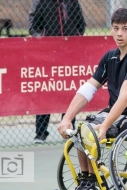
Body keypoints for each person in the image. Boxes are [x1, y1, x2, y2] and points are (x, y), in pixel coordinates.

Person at [58, 8, 127, 189]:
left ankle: (92, 179)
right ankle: (88, 179)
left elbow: (125, 97)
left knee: (91, 132)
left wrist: (104, 126)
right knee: (82, 129)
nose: (120, 33)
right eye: (116, 28)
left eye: (125, 28)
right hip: (117, 112)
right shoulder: (109, 57)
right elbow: (88, 88)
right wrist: (67, 118)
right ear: (111, 29)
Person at [28, 0, 86, 143]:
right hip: (47, 54)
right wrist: (45, 40)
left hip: (69, 53)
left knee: (69, 89)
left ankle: (68, 129)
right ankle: (40, 133)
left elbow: (81, 24)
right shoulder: (41, 1)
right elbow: (33, 26)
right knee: (45, 90)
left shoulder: (72, 2)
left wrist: (75, 37)